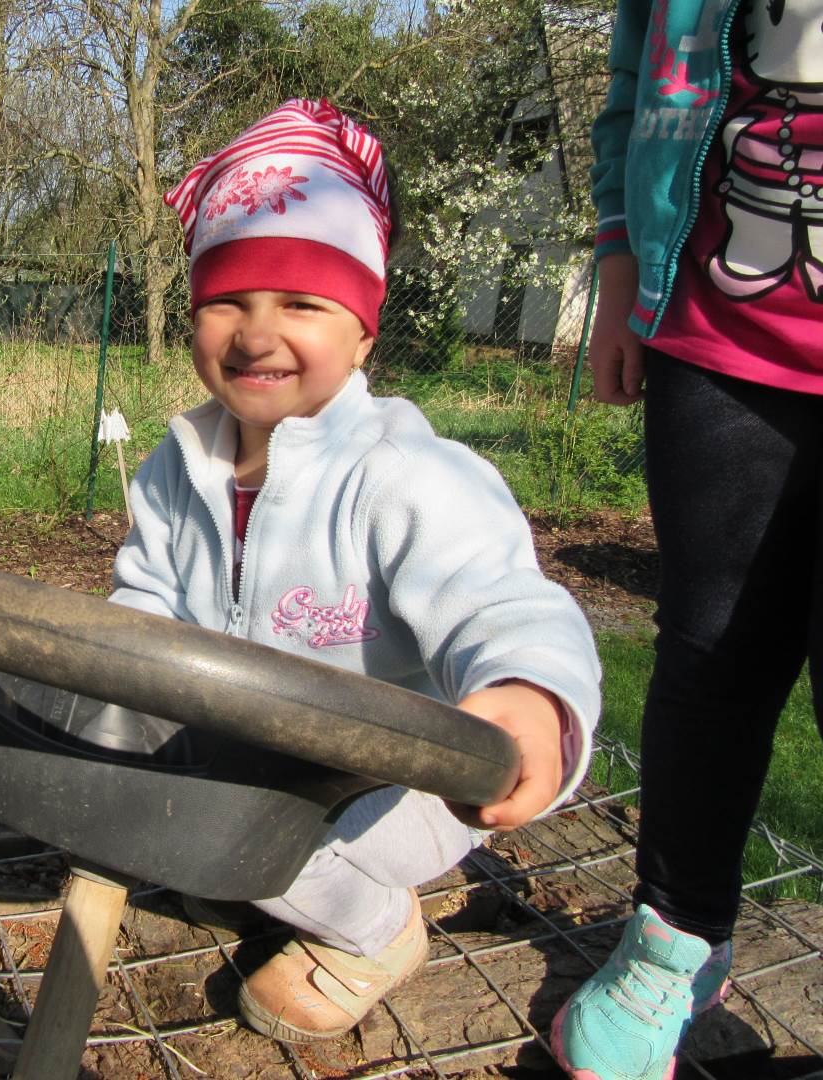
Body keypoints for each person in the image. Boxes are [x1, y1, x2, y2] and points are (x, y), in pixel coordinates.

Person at [109, 98, 602, 1043]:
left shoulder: (406, 477)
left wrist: (528, 696)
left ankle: (377, 932)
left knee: (230, 833)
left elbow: (504, 606)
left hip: (395, 787)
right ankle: (249, 863)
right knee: (147, 796)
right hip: (253, 757)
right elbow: (143, 602)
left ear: (365, 331)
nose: (257, 334)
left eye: (301, 304)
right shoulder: (178, 467)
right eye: (227, 301)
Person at [550, 0, 822, 1076]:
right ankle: (676, 940)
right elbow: (632, 85)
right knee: (711, 653)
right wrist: (621, 265)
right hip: (718, 333)